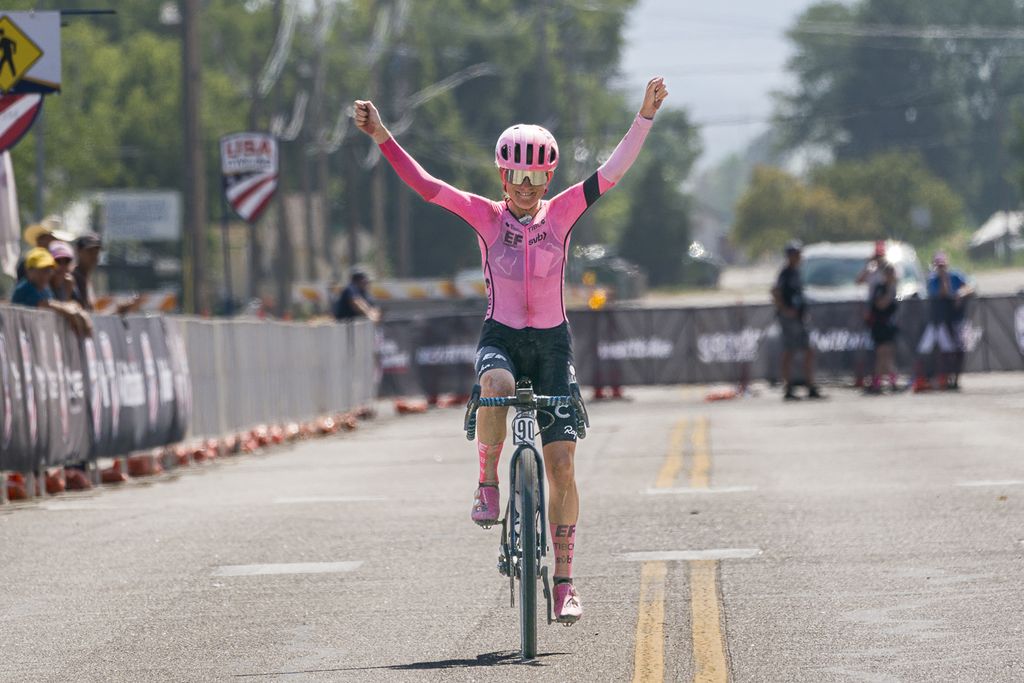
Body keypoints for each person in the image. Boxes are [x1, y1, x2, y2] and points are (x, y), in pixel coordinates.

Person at [354, 76, 668, 624]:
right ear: (504, 176)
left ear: (548, 176)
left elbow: (612, 172)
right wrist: (382, 134)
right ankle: (487, 478)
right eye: (517, 176)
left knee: (564, 466)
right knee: (495, 387)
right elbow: (428, 186)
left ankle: (565, 582)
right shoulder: (484, 214)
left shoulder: (565, 212)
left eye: (536, 176)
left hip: (552, 342)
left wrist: (643, 115)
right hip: (500, 335)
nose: (526, 186)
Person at [913, 252, 974, 391]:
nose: (942, 268)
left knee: (959, 351)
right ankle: (943, 379)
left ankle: (955, 380)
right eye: (939, 265)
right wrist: (944, 279)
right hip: (941, 322)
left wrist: (960, 293)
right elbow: (943, 294)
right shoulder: (933, 280)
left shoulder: (956, 275)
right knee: (944, 352)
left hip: (957, 319)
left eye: (943, 265)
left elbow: (969, 287)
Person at [771, 240, 823, 401]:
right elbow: (775, 292)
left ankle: (810, 385)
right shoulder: (785, 273)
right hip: (789, 319)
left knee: (808, 350)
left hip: (799, 318)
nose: (799, 257)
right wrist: (785, 310)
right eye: (796, 254)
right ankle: (788, 386)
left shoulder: (796, 272)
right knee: (790, 351)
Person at [11, 248, 92, 336]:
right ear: (29, 270)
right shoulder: (26, 287)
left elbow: (57, 303)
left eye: (48, 270)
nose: (45, 274)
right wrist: (70, 312)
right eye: (41, 269)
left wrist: (78, 310)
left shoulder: (44, 289)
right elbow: (46, 304)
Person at [865, 263, 899, 394]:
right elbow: (881, 305)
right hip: (879, 325)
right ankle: (879, 382)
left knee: (887, 355)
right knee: (881, 354)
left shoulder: (893, 289)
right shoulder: (880, 288)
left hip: (889, 326)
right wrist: (890, 292)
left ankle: (890, 380)